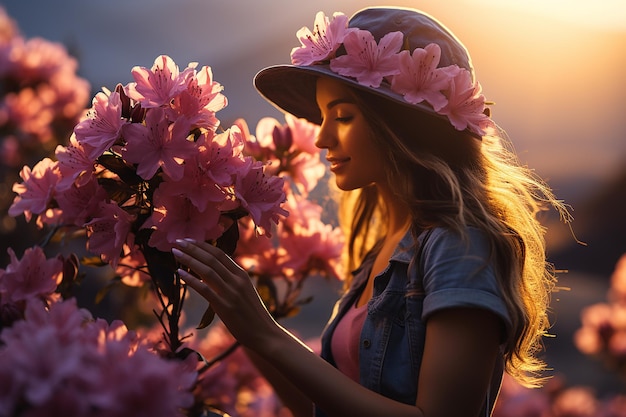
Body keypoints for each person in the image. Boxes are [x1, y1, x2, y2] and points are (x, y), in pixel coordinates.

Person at [172, 6, 571, 417]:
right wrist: (249, 333)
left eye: (342, 116)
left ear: (399, 124)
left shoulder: (460, 246)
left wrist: (268, 335)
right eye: (323, 116)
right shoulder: (383, 250)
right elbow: (323, 408)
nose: (323, 137)